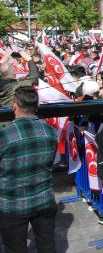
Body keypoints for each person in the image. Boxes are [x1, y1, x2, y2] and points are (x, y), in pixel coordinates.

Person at [0, 86, 58, 253]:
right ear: (36, 107)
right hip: (44, 199)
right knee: (47, 246)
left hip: (13, 205)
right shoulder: (49, 131)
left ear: (14, 105)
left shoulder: (4, 135)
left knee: (15, 248)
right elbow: (50, 161)